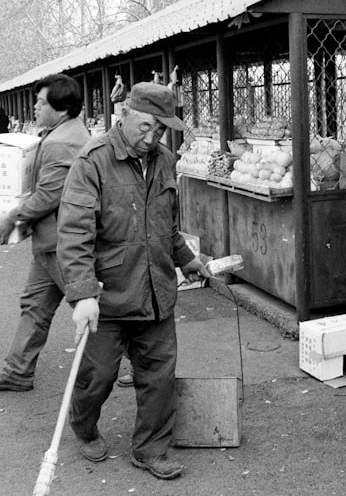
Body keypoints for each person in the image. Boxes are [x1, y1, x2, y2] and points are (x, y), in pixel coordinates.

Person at [56, 82, 209, 480]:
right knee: (98, 377)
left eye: (160, 130)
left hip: (156, 292)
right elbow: (73, 235)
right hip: (108, 296)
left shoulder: (164, 161)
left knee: (158, 375)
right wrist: (83, 294)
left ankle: (150, 448)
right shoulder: (92, 163)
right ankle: (83, 425)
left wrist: (186, 260)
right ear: (123, 114)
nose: (151, 137)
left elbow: (165, 226)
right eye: (145, 126)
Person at [0, 74, 91, 392]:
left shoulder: (61, 142)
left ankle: (135, 365)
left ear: (62, 108)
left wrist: (11, 218)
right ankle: (17, 370)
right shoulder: (66, 132)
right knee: (35, 306)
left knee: (93, 309)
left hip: (62, 244)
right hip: (49, 242)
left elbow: (48, 195)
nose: (35, 107)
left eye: (41, 102)